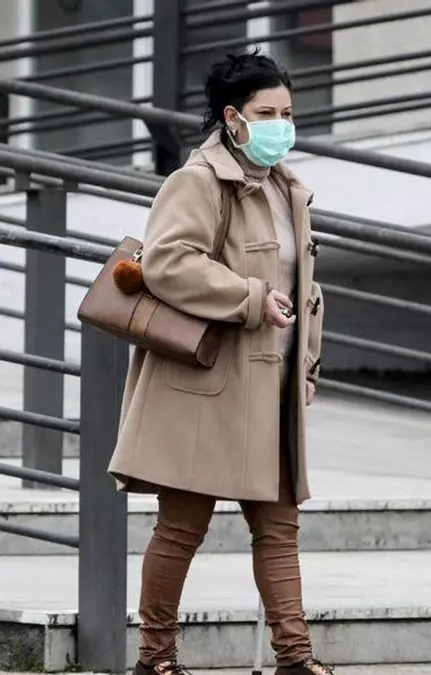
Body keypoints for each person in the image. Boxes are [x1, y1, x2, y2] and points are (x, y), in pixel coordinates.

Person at [107, 51, 329, 675]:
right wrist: (250, 298)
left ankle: (295, 659)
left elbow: (306, 287)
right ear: (234, 118)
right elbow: (168, 261)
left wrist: (308, 364)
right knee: (181, 529)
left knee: (279, 528)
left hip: (272, 384)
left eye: (287, 113)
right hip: (207, 384)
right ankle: (156, 659)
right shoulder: (198, 181)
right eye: (267, 113)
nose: (281, 125)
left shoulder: (287, 188)